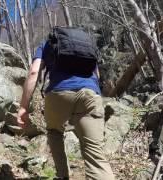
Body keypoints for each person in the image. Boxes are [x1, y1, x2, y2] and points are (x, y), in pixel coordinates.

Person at [17, 37, 115, 180]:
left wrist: (23, 107)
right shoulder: (85, 45)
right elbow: (97, 75)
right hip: (90, 94)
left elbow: (34, 72)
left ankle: (63, 176)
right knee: (95, 153)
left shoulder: (47, 44)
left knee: (55, 132)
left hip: (59, 93)